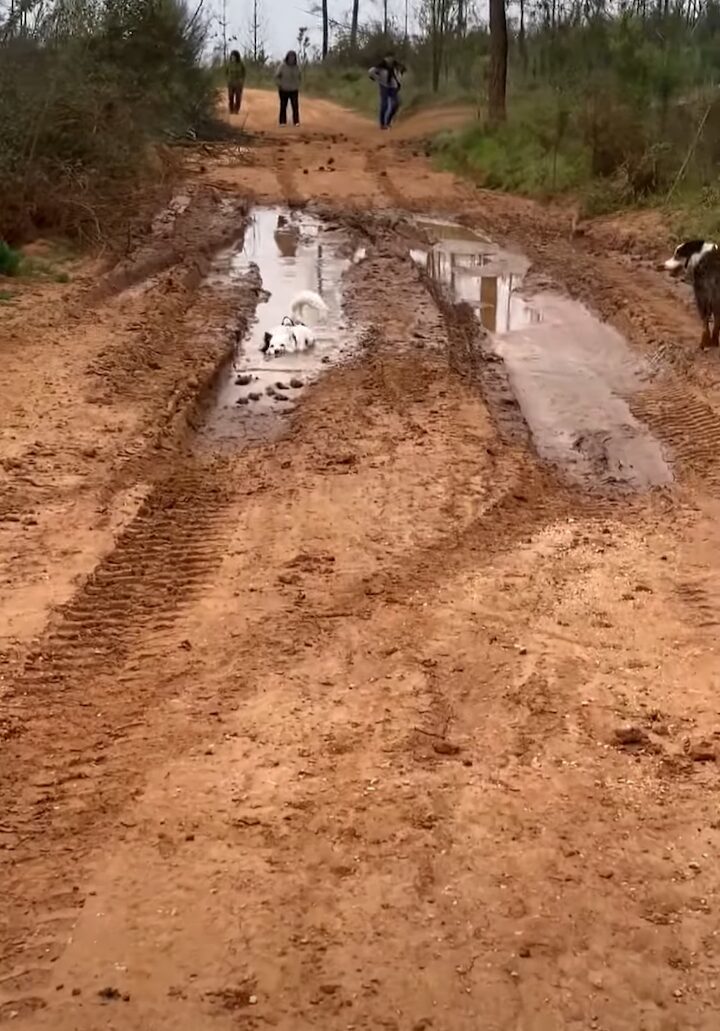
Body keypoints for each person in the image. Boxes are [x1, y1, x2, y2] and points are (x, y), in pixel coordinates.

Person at [369, 53, 406, 130]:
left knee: (396, 103)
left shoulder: (396, 66)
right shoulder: (380, 66)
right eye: (388, 58)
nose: (390, 60)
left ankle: (388, 121)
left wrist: (399, 79)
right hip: (384, 86)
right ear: (385, 58)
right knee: (384, 105)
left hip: (393, 86)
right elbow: (371, 72)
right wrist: (377, 78)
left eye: (391, 58)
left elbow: (402, 71)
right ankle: (382, 124)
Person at [276, 50, 301, 127]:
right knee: (283, 105)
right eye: (290, 57)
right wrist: (279, 85)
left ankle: (296, 121)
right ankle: (282, 121)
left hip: (294, 89)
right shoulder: (282, 66)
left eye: (293, 57)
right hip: (283, 89)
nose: (292, 59)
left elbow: (300, 76)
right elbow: (277, 76)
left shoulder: (296, 67)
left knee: (295, 106)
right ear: (287, 57)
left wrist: (298, 84)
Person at [226, 50, 246, 115]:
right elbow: (226, 72)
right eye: (232, 56)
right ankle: (231, 109)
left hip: (238, 83)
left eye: (234, 56)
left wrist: (242, 80)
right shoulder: (229, 64)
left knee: (238, 97)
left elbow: (244, 73)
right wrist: (228, 79)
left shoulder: (241, 64)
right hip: (230, 83)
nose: (233, 58)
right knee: (230, 96)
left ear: (237, 57)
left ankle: (236, 109)